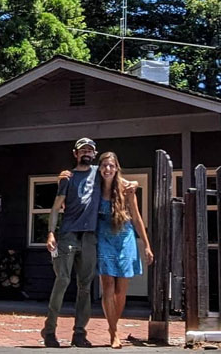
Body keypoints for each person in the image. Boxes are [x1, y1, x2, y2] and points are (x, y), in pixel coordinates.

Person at [42, 138, 136, 348]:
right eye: (82, 149)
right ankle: (49, 331)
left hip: (90, 237)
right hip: (68, 234)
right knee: (63, 281)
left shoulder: (99, 172)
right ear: (75, 153)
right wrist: (50, 233)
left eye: (90, 150)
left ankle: (79, 334)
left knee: (85, 287)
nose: (87, 152)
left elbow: (120, 178)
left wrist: (135, 183)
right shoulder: (68, 177)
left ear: (94, 154)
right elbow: (56, 207)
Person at [96, 151, 153, 349]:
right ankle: (114, 333)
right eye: (104, 165)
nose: (107, 169)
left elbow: (137, 219)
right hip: (103, 238)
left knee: (121, 290)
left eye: (111, 165)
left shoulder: (126, 189)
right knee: (108, 286)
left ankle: (114, 325)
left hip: (125, 238)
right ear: (99, 168)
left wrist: (146, 245)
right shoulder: (95, 188)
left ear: (116, 168)